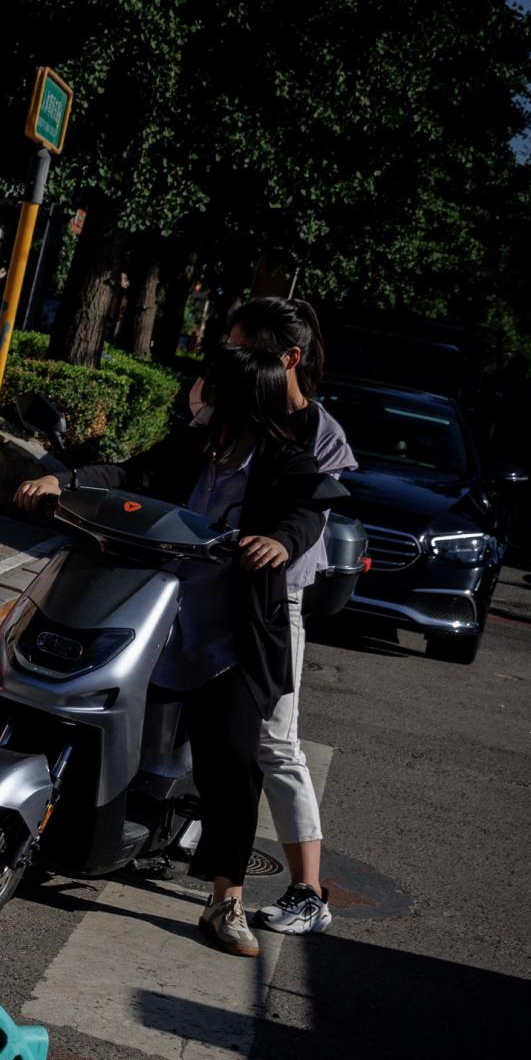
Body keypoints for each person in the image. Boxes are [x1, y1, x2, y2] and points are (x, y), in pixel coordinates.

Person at [16, 342, 342, 958]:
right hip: (157, 622)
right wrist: (61, 479)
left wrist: (279, 540)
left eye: (213, 387)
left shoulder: (284, 461)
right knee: (100, 729)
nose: (200, 395)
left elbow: (310, 513)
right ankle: (52, 837)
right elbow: (127, 474)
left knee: (234, 765)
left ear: (242, 398)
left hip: (232, 641)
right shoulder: (192, 448)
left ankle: (226, 901)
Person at [217, 296, 355, 936]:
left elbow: (309, 514)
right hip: (205, 584)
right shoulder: (231, 407)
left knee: (275, 739)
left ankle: (308, 890)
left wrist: (280, 541)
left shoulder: (320, 434)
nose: (231, 359)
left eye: (245, 348)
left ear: (288, 358)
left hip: (273, 603)